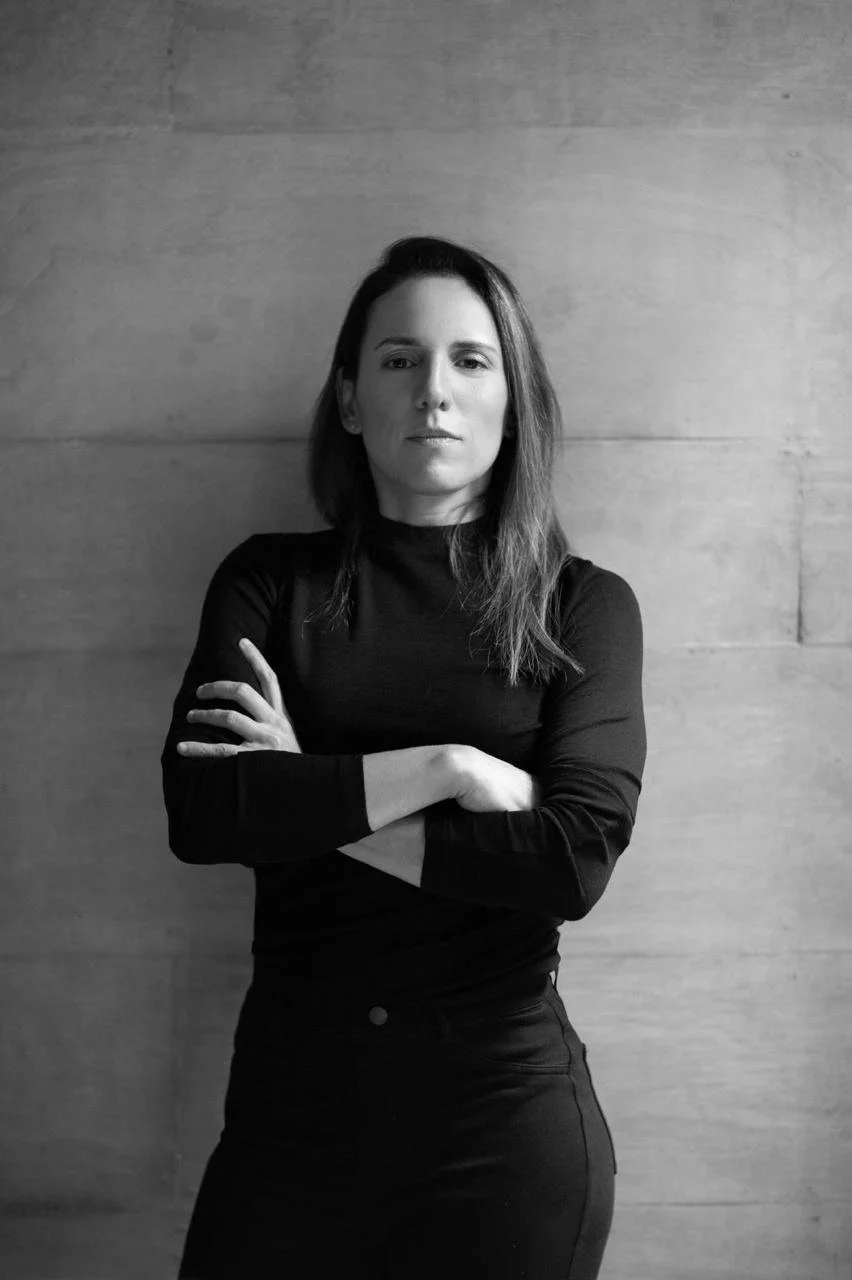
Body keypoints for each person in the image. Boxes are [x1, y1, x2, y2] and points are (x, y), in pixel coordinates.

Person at [160, 235, 647, 1279]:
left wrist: (308, 789)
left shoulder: (583, 607)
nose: (434, 389)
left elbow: (571, 861)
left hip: (501, 1120)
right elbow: (205, 810)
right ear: (347, 398)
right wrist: (451, 771)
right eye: (399, 359)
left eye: (471, 360)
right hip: (294, 1110)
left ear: (514, 400)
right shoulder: (268, 585)